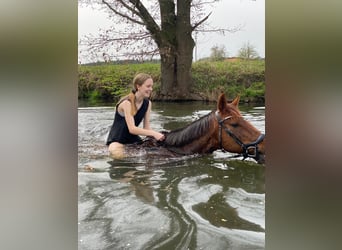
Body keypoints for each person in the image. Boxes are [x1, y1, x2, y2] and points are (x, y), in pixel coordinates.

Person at [106, 73, 165, 158]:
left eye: (151, 86)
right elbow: (132, 129)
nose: (151, 89)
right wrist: (154, 133)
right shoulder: (127, 103)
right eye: (148, 86)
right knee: (120, 158)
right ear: (138, 86)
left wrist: (159, 136)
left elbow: (146, 128)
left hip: (134, 140)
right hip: (117, 141)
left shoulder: (148, 103)